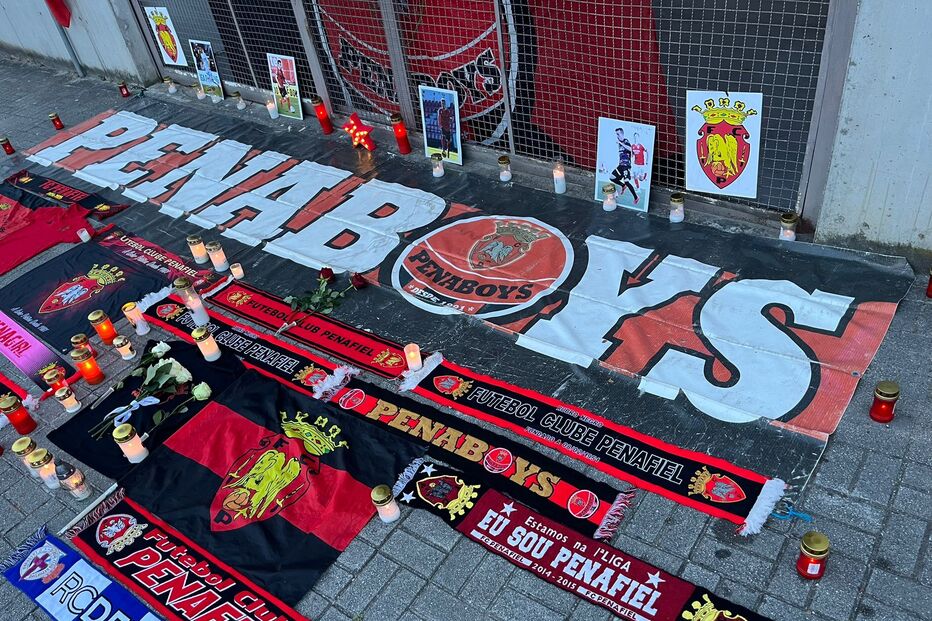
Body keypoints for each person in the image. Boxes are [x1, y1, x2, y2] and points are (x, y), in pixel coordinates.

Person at [610, 127, 638, 204]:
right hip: (620, 165)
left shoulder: (626, 141)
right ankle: (622, 185)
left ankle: (636, 197)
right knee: (612, 177)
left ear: (622, 134)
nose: (617, 136)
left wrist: (621, 143)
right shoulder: (619, 143)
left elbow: (630, 149)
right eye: (616, 134)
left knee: (627, 181)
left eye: (618, 134)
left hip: (626, 165)